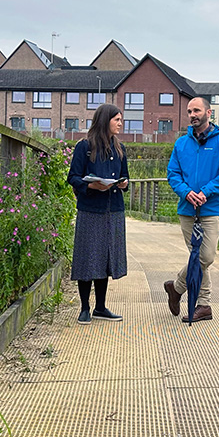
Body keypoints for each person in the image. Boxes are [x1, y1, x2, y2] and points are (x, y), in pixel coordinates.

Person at [163, 96, 219, 322]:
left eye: (197, 110)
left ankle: (177, 287)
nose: (192, 115)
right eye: (189, 111)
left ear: (209, 112)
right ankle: (203, 305)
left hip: (212, 207)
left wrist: (206, 191)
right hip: (187, 209)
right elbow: (173, 174)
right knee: (195, 256)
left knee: (205, 256)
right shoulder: (181, 143)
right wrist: (186, 192)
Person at [67, 103, 130, 324]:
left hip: (113, 210)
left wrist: (123, 184)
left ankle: (100, 307)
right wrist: (91, 186)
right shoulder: (84, 147)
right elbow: (73, 177)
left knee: (105, 258)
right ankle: (84, 308)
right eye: (117, 120)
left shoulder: (120, 149)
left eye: (121, 119)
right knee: (86, 258)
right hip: (90, 210)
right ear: (105, 121)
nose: (120, 123)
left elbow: (125, 177)